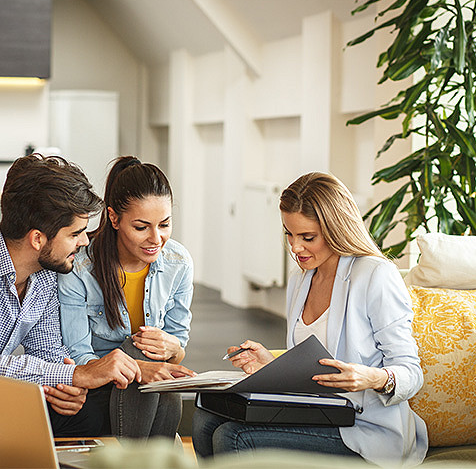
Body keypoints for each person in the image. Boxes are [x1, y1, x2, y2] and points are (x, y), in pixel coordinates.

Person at [192, 172, 428, 466]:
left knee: (233, 436)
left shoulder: (375, 275)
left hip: (365, 428)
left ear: (336, 229)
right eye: (289, 233)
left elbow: (411, 373)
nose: (295, 247)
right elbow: (314, 362)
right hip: (318, 413)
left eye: (308, 237)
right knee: (204, 420)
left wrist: (372, 378)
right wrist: (271, 363)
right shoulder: (301, 279)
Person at [0, 154, 143, 437]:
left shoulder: (45, 276)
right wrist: (77, 375)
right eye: (75, 233)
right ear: (38, 238)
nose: (85, 241)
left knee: (86, 411)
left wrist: (67, 388)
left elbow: (48, 350)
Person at [58, 156, 196, 440]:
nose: (156, 238)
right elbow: (78, 356)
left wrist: (172, 347)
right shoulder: (81, 268)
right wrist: (138, 368)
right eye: (142, 227)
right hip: (98, 386)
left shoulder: (178, 262)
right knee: (135, 350)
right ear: (114, 218)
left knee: (160, 377)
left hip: (149, 390)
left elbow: (177, 349)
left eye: (165, 225)